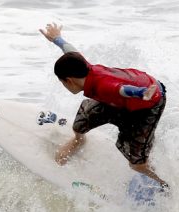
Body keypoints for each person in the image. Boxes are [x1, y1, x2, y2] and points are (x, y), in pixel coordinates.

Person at [39, 23, 169, 189]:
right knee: (83, 119)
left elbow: (122, 90)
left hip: (147, 105)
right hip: (126, 98)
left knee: (136, 163)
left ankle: (162, 183)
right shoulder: (85, 68)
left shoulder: (103, 86)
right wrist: (57, 38)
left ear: (68, 80)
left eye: (62, 82)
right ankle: (79, 140)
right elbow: (70, 50)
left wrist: (141, 93)